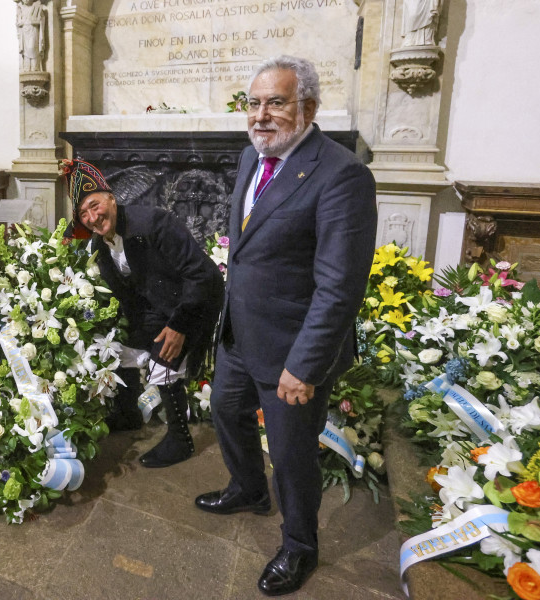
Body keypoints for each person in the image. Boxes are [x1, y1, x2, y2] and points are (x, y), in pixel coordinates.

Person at [194, 56, 377, 596]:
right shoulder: (254, 159)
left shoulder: (342, 174)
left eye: (276, 102)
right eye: (253, 103)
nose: (260, 115)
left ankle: (300, 545)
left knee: (293, 459)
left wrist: (304, 366)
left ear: (309, 108)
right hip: (239, 336)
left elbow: (340, 287)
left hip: (292, 352)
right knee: (224, 410)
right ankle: (248, 488)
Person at [61, 159, 224, 468]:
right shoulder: (99, 245)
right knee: (112, 343)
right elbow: (129, 296)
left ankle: (180, 440)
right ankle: (128, 413)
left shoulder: (155, 222)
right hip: (154, 312)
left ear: (111, 198)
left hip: (192, 308)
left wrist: (178, 326)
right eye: (84, 214)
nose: (93, 217)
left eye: (95, 206)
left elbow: (202, 276)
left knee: (164, 358)